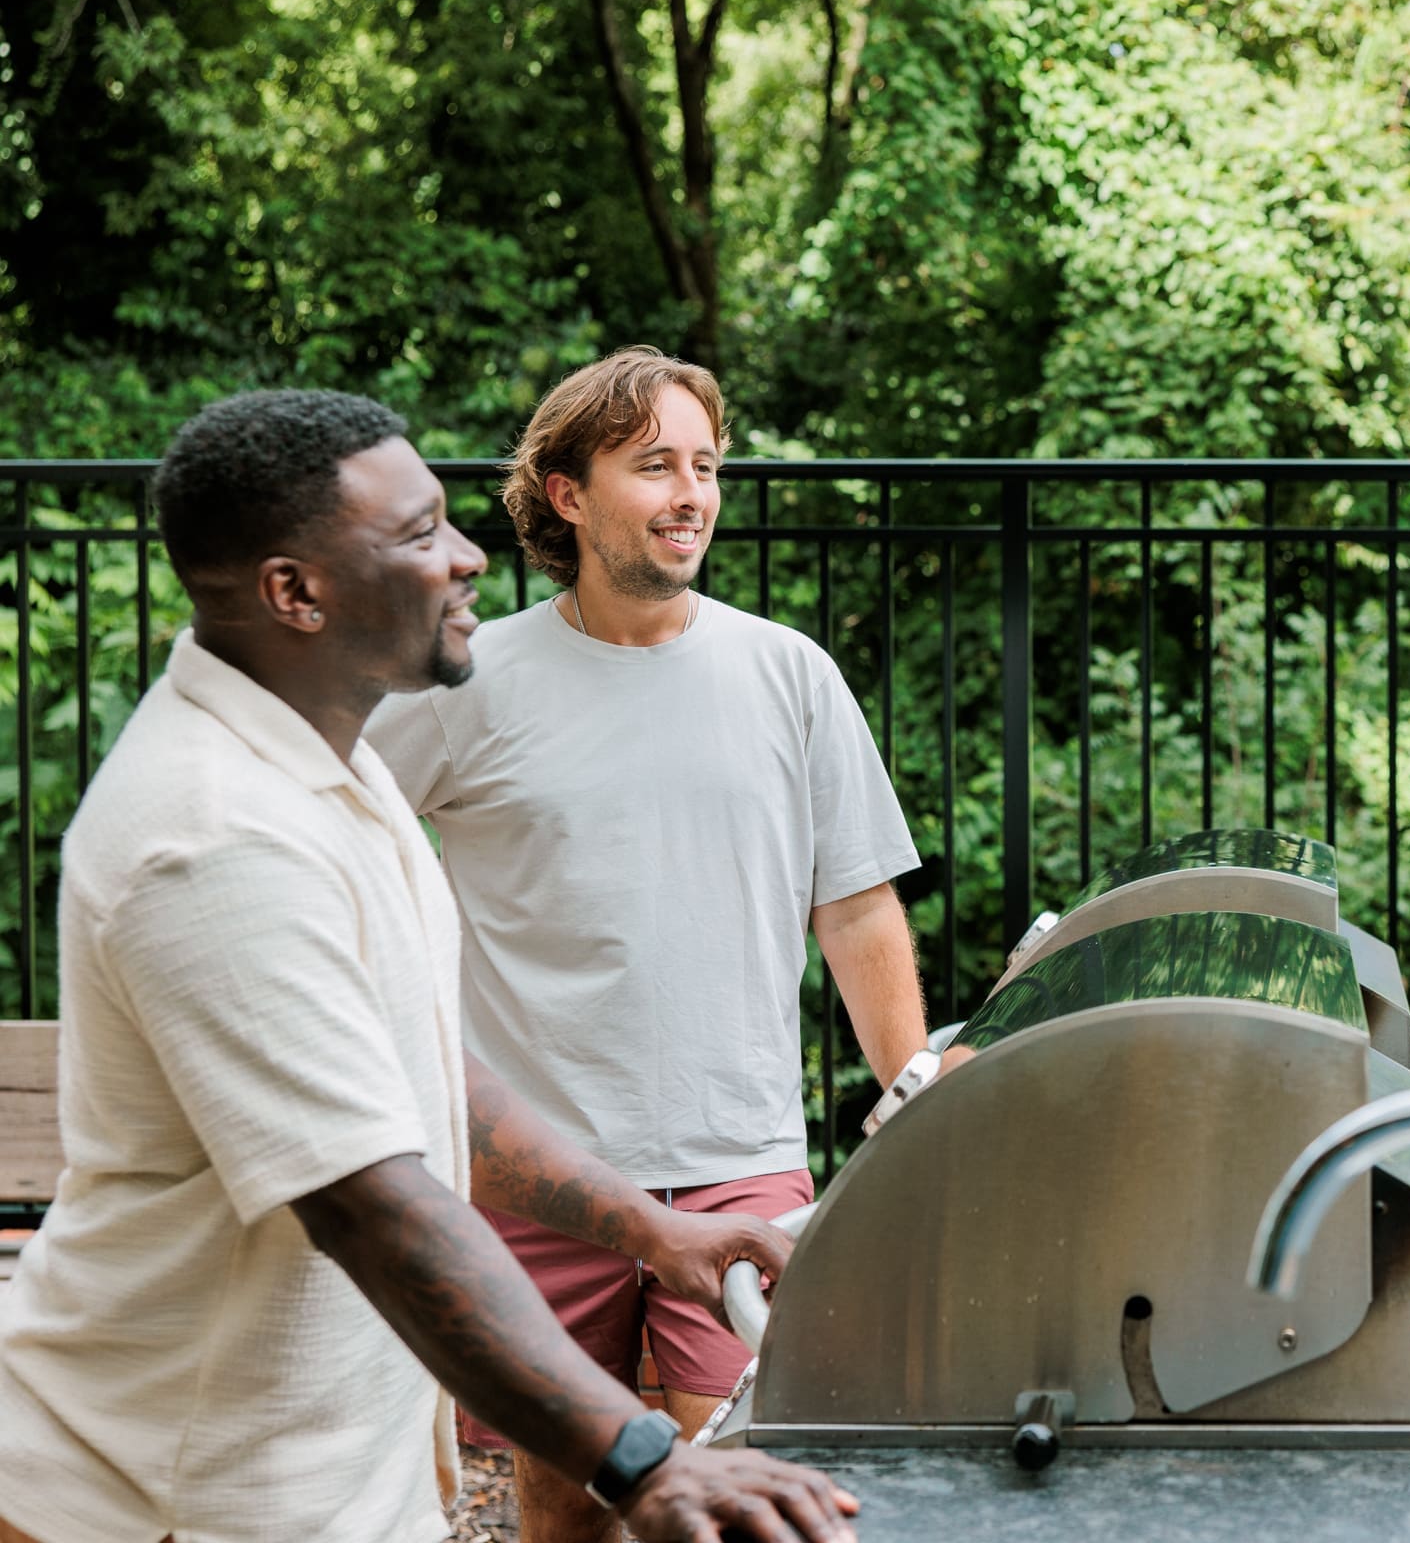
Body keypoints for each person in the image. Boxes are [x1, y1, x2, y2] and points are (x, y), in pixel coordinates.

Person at [0, 391, 861, 1543]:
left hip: (328, 1482)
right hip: (169, 1491)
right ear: (292, 592)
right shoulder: (212, 838)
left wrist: (654, 1234)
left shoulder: (335, 771)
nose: (465, 559)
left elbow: (425, 1072)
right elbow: (378, 1209)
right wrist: (644, 1460)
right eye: (415, 536)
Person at [364, 348, 930, 1543]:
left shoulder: (790, 674)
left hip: (741, 1158)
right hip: (543, 1174)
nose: (692, 493)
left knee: (737, 1492)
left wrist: (911, 1089)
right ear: (567, 492)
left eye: (707, 465)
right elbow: (339, 836)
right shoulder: (470, 681)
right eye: (654, 464)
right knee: (565, 1492)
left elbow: (857, 907)